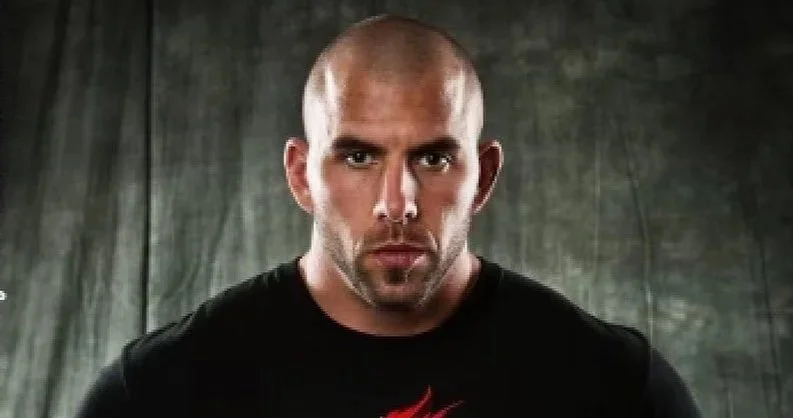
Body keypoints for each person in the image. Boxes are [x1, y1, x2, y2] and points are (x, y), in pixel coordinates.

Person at [75, 14, 702, 418]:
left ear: (481, 175)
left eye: (432, 157)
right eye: (357, 156)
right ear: (301, 175)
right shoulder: (160, 395)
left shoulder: (614, 389)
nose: (396, 202)